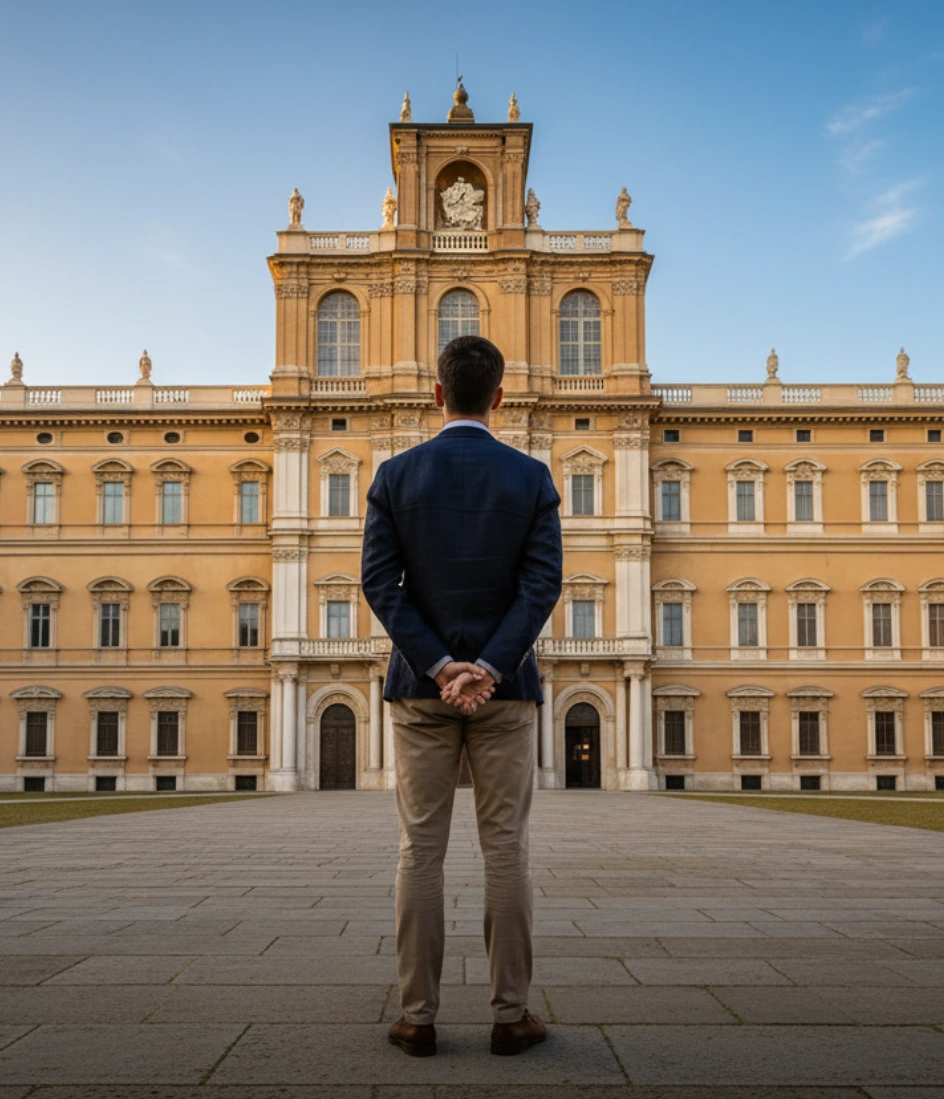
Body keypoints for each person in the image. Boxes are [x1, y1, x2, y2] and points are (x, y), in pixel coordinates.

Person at [362, 335, 562, 1058]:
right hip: (507, 694)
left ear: (437, 394)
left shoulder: (395, 475)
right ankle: (511, 1014)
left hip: (419, 689)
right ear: (499, 397)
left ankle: (416, 1015)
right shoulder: (533, 478)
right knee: (505, 848)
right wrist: (490, 666)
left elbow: (381, 585)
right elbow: (542, 586)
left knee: (420, 849)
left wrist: (443, 665)